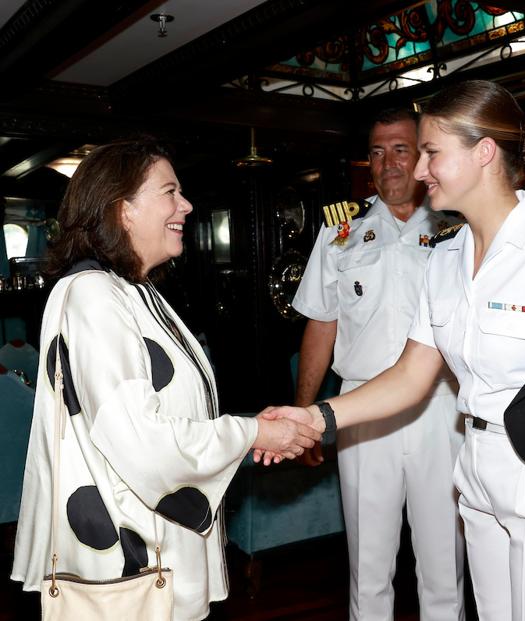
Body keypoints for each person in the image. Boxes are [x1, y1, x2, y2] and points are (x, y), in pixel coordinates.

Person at [258, 80, 525, 621]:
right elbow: (410, 375)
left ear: (482, 153)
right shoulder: (448, 257)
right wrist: (311, 417)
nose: (420, 169)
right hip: (476, 476)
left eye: (431, 152)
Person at [11, 139, 320, 621]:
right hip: (132, 555)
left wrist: (247, 425)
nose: (186, 205)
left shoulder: (133, 289)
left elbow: (173, 412)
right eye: (169, 191)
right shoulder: (95, 295)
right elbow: (142, 440)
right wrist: (253, 432)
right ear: (123, 210)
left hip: (150, 542)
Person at [291, 108, 465, 621]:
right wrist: (306, 417)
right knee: (368, 564)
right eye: (376, 151)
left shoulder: (456, 228)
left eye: (401, 149)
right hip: (361, 408)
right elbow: (322, 323)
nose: (388, 162)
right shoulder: (340, 232)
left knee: (443, 562)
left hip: (442, 405)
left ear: (424, 155)